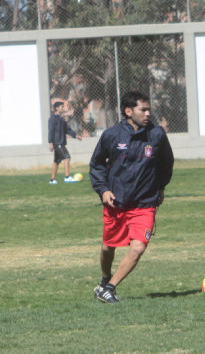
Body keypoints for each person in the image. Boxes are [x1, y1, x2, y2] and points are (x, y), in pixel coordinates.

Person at [89, 91, 174, 303]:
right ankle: (105, 278)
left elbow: (167, 163)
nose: (148, 113)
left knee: (138, 247)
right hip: (116, 203)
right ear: (128, 111)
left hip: (145, 204)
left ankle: (109, 288)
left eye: (148, 109)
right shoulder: (112, 135)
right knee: (108, 247)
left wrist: (160, 187)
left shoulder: (157, 134)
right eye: (142, 109)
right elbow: (97, 165)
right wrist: (103, 190)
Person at [48, 101, 82, 184]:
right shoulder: (53, 118)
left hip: (61, 142)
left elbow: (67, 129)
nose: (63, 108)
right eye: (62, 107)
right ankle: (67, 177)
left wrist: (75, 135)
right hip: (57, 143)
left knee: (56, 161)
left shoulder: (61, 118)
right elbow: (51, 131)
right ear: (57, 108)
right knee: (67, 157)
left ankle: (52, 180)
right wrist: (50, 142)